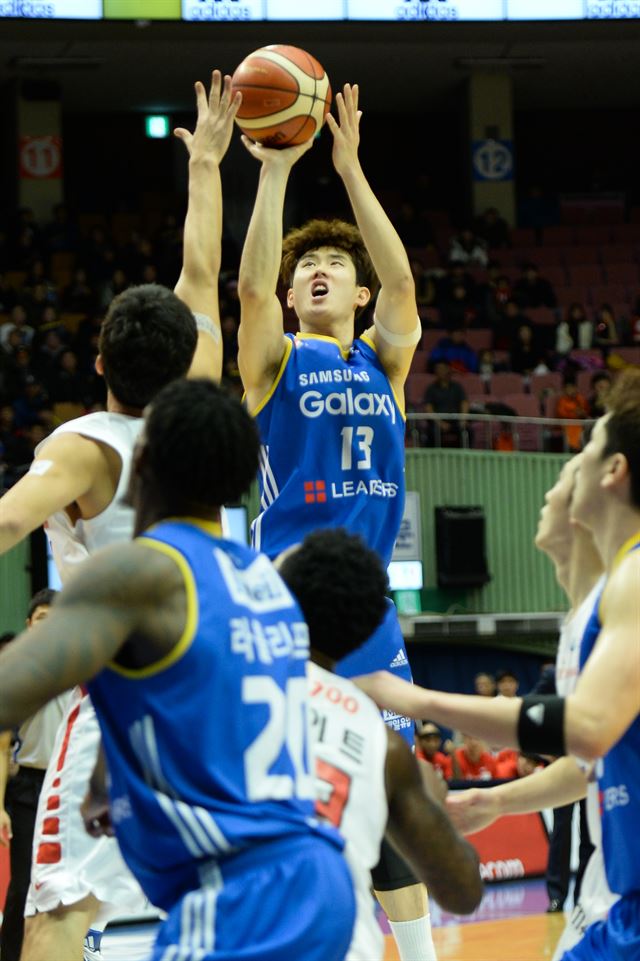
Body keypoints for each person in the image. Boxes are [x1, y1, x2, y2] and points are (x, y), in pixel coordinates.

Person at [0, 72, 238, 961]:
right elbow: (202, 274)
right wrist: (207, 164)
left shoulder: (82, 445)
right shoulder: (202, 412)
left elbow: (7, 524)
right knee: (218, 905)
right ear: (185, 359)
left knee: (60, 907)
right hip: (222, 691)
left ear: (96, 355)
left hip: (123, 697)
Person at [0, 378, 357, 961]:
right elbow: (195, 709)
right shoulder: (268, 584)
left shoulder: (139, 572)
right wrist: (107, 775)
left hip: (239, 898)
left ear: (142, 459)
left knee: (55, 916)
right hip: (314, 880)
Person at [236, 83, 436, 961]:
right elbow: (245, 287)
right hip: (280, 607)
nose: (316, 273)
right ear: (291, 297)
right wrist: (277, 169)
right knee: (285, 803)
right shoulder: (273, 362)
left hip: (367, 611)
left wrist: (350, 168)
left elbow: (401, 277)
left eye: (334, 269)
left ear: (359, 297)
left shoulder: (386, 366)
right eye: (302, 272)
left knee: (392, 799)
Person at [357, 370, 640, 959]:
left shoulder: (634, 578)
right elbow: (593, 758)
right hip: (612, 895)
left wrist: (414, 699)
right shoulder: (596, 604)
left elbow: (584, 726)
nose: (559, 478)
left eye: (582, 453)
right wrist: (499, 801)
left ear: (613, 472)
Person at [276, 529, 483, 960]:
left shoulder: (220, 698)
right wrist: (430, 808)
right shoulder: (378, 744)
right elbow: (464, 892)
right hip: (336, 941)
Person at [0, 590, 72, 961]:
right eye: (40, 618)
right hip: (29, 786)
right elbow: (2, 744)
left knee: (74, 883)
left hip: (70, 785)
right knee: (25, 881)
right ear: (29, 625)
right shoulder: (14, 672)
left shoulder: (82, 666)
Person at [423, 360, 469, 448]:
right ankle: (435, 457)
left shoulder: (457, 387)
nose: (440, 371)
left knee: (468, 431)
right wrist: (440, 423)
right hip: (438, 422)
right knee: (431, 433)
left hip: (455, 420)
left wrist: (463, 419)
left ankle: (464, 456)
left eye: (443, 369)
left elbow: (464, 403)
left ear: (448, 370)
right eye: (438, 369)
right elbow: (428, 408)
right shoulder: (431, 389)